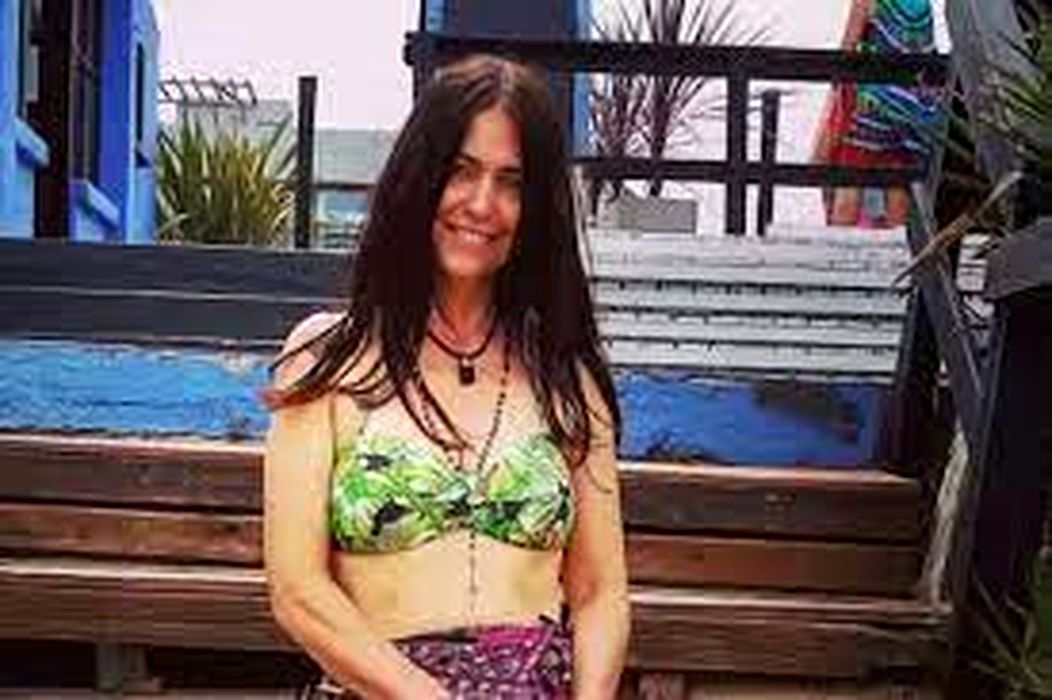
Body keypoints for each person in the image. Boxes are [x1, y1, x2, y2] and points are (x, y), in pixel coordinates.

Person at [263, 54, 629, 699]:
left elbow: (600, 592)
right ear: (419, 178)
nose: (482, 204)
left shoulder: (566, 378)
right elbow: (298, 591)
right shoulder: (326, 359)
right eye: (461, 171)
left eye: (511, 183)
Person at [812, 0, 942, 227]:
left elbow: (846, 52)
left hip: (872, 105)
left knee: (852, 173)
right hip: (911, 111)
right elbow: (928, 56)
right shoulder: (922, 5)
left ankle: (837, 244)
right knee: (898, 182)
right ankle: (898, 247)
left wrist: (836, 92)